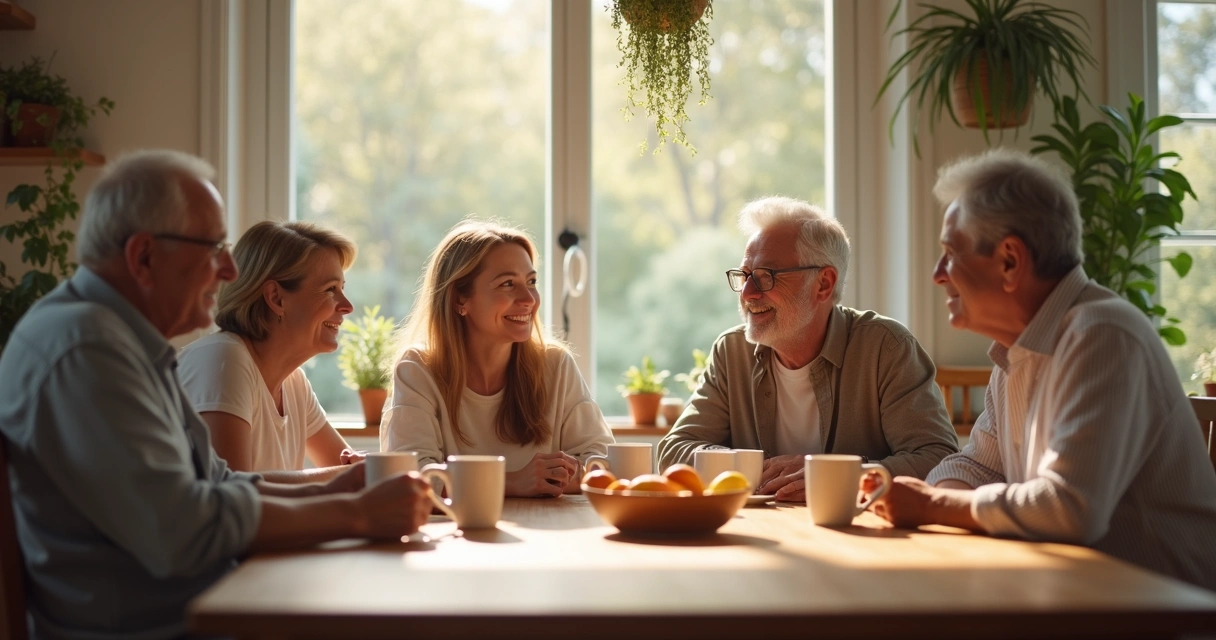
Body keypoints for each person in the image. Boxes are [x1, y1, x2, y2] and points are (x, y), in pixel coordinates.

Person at [0, 150, 432, 640]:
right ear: (144, 257)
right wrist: (357, 514)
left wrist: (336, 487)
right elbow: (180, 529)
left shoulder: (124, 342)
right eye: (212, 249)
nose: (228, 270)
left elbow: (218, 482)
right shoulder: (86, 349)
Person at [870, 148, 1216, 591]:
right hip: (1075, 595)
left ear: (1010, 261)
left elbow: (1069, 508)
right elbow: (977, 467)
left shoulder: (1103, 333)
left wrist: (933, 505)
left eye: (950, 253)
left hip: (1165, 608)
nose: (938, 274)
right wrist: (929, 498)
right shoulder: (1016, 349)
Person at [656, 196, 958, 502]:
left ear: (823, 284)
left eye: (766, 276)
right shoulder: (732, 352)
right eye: (745, 275)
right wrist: (754, 467)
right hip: (760, 527)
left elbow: (938, 458)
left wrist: (834, 475)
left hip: (856, 527)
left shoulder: (886, 348)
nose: (747, 293)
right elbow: (674, 451)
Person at [382, 219, 613, 497]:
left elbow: (604, 462)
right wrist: (513, 482)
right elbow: (413, 478)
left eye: (531, 281)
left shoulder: (556, 365)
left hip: (548, 522)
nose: (529, 299)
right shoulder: (417, 370)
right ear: (459, 300)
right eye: (507, 284)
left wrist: (561, 476)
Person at [178, 220, 364, 482]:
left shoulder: (294, 383)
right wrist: (354, 474)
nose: (347, 306)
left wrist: (361, 471)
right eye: (330, 290)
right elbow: (234, 494)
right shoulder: (223, 360)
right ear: (276, 298)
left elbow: (349, 472)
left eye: (341, 288)